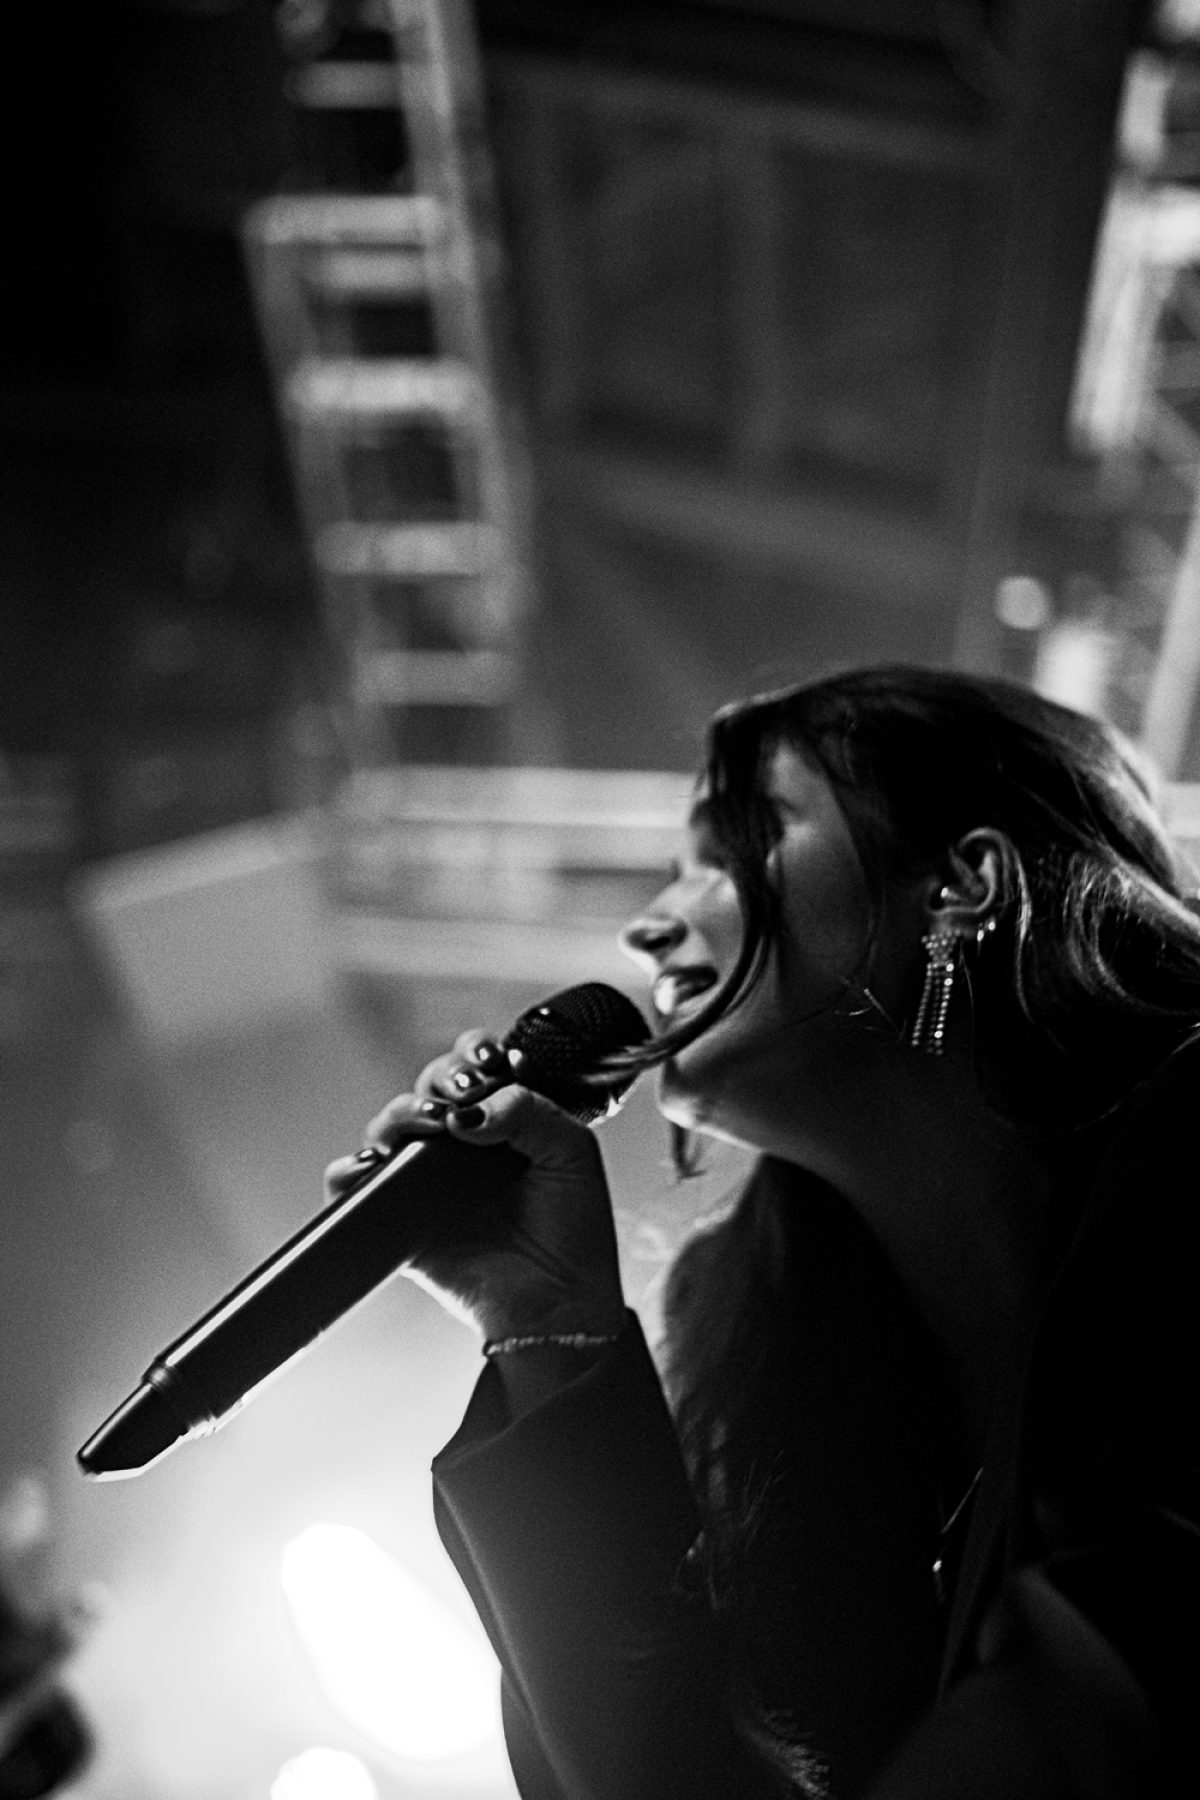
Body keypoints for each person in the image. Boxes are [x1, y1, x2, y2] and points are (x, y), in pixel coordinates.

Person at [327, 664, 1200, 1799]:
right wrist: (548, 1326)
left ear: (959, 885)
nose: (648, 926)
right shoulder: (852, 1421)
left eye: (736, 846)